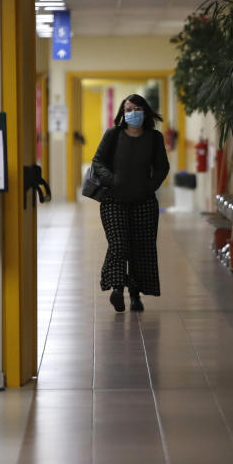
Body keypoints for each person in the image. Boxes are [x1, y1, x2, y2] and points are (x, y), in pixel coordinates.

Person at [91, 94, 170, 312]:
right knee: (119, 244)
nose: (132, 113)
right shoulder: (113, 135)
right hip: (113, 200)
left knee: (141, 249)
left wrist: (150, 186)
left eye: (136, 108)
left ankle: (135, 296)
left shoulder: (154, 138)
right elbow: (97, 161)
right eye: (127, 109)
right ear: (122, 113)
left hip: (143, 202)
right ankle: (118, 289)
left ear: (145, 112)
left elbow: (162, 167)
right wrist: (111, 179)